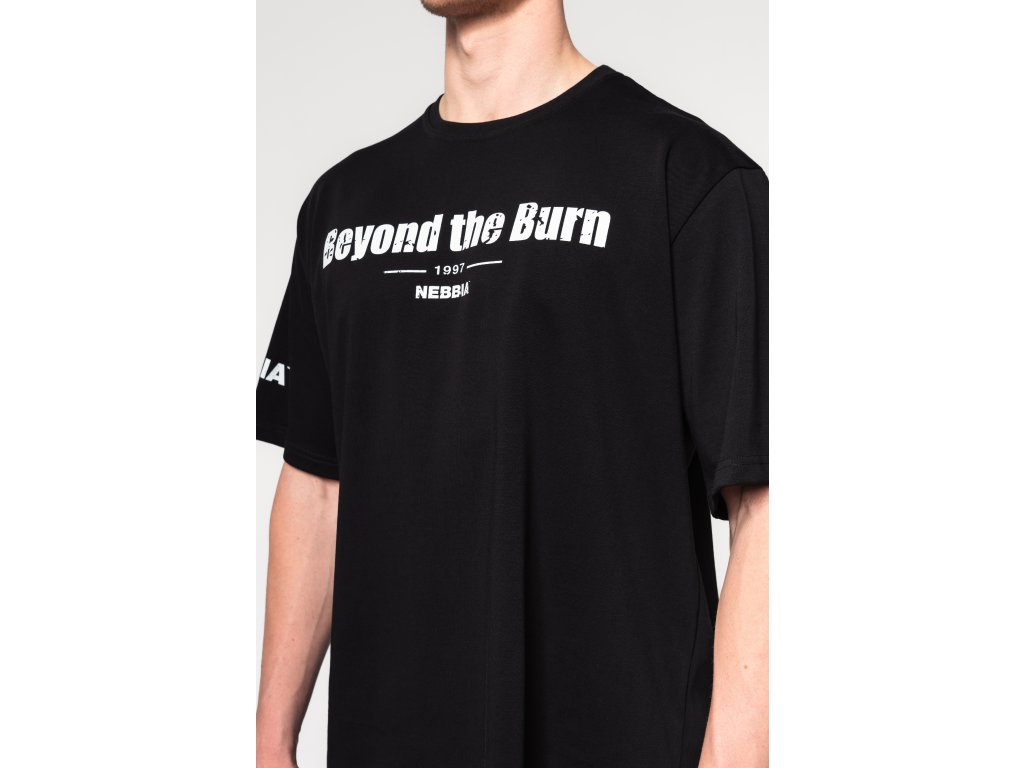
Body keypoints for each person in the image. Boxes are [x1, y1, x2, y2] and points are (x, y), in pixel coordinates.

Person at [255, 1, 768, 766]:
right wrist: (270, 743)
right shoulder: (341, 206)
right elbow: (317, 485)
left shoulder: (686, 176)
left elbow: (766, 500)